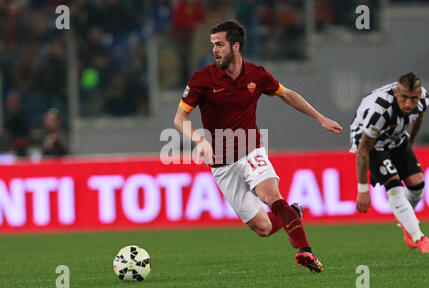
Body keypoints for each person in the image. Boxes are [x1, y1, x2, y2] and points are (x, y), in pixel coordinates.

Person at [173, 20, 343, 273]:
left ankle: (305, 251)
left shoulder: (257, 75)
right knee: (263, 228)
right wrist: (200, 141)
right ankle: (293, 212)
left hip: (251, 150)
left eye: (220, 44)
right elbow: (179, 119)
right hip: (222, 164)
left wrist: (320, 118)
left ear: (236, 46)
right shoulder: (202, 79)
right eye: (213, 45)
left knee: (271, 196)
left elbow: (286, 94)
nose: (214, 50)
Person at [350, 72, 429, 253]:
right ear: (396, 93)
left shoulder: (423, 98)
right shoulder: (379, 112)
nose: (409, 103)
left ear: (419, 95)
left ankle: (406, 224)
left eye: (413, 98)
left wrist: (411, 143)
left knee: (417, 186)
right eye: (404, 98)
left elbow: (420, 116)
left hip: (397, 139)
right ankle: (419, 236)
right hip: (371, 144)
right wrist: (362, 189)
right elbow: (363, 151)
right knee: (395, 188)